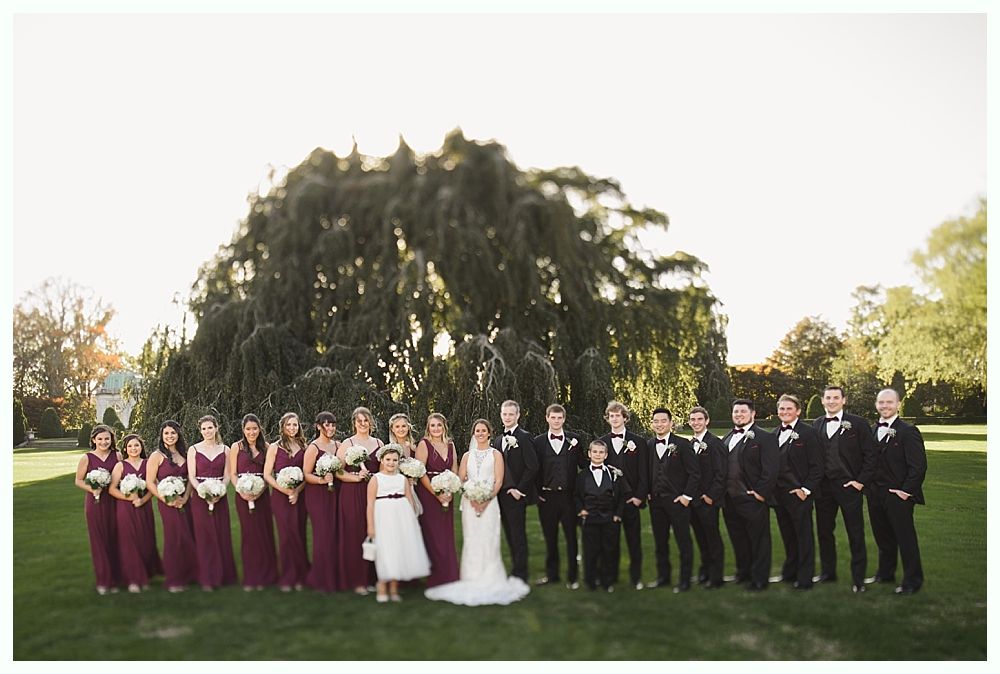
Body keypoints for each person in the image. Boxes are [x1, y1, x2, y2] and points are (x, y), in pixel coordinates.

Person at [425, 419, 530, 605]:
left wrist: (487, 498)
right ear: (474, 433)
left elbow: (498, 480)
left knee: (489, 538)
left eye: (483, 430)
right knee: (472, 538)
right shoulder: (467, 455)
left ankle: (491, 577)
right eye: (477, 430)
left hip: (491, 503)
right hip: (469, 504)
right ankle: (470, 576)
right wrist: (472, 496)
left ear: (489, 433)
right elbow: (461, 478)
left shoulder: (496, 454)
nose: (480, 433)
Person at [812, 386, 876, 592]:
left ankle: (858, 580)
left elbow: (871, 455)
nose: (831, 401)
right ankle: (828, 573)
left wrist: (860, 481)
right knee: (824, 532)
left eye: (835, 398)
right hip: (824, 488)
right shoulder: (817, 424)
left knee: (855, 533)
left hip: (849, 487)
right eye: (828, 398)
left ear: (843, 400)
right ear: (822, 401)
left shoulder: (858, 424)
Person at [866, 388, 927, 594]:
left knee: (905, 538)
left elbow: (918, 466)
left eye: (889, 402)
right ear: (876, 405)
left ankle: (913, 581)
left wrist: (905, 492)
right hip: (875, 494)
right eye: (881, 402)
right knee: (883, 537)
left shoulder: (908, 431)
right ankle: (885, 574)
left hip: (898, 495)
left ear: (898, 404)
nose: (885, 406)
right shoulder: (873, 429)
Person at [720, 399, 777, 591]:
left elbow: (770, 470)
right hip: (729, 499)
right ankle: (743, 573)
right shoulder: (727, 438)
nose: (738, 415)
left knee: (759, 541)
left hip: (752, 498)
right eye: (736, 412)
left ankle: (760, 579)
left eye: (743, 412)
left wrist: (760, 493)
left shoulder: (764, 438)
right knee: (738, 538)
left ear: (752, 414)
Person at [769, 395, 823, 590]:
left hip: (800, 495)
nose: (784, 412)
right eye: (781, 409)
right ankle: (789, 573)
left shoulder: (809, 433)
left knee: (803, 536)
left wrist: (806, 489)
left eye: (788, 409)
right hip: (779, 496)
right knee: (788, 536)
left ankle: (805, 578)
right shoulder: (773, 434)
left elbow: (817, 466)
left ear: (798, 411)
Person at [366, 444, 431, 602]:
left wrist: (412, 522)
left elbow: (409, 500)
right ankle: (382, 585)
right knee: (385, 550)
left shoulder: (402, 479)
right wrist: (371, 526)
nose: (391, 463)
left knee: (398, 549)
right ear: (382, 460)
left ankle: (394, 588)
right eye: (388, 459)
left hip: (401, 517)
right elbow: (370, 504)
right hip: (383, 516)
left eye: (395, 460)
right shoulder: (375, 479)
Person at [645, 407, 699, 592]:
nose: (659, 424)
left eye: (663, 421)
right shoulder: (650, 444)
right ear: (652, 424)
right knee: (660, 542)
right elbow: (647, 472)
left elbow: (694, 473)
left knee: (683, 541)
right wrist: (648, 492)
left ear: (670, 423)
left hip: (678, 502)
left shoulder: (682, 444)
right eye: (656, 421)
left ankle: (685, 580)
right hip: (656, 502)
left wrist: (686, 497)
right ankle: (663, 577)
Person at [598, 401, 648, 590]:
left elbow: (644, 473)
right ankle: (610, 578)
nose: (615, 418)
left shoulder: (639, 442)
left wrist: (639, 497)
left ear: (625, 418)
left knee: (634, 541)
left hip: (631, 500)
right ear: (607, 418)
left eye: (618, 415)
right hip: (610, 501)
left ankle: (636, 578)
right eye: (611, 416)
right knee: (610, 542)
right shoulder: (601, 442)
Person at [533, 403, 582, 589]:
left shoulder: (575, 440)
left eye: (559, 418)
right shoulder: (538, 442)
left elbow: (583, 464)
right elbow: (533, 470)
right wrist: (537, 494)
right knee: (550, 537)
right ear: (547, 418)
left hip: (569, 498)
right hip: (547, 498)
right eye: (553, 417)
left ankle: (573, 577)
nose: (556, 421)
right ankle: (551, 575)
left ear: (564, 419)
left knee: (571, 537)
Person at [145, 420, 197, 592]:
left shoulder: (186, 453)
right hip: (167, 502)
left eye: (173, 433)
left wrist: (186, 497)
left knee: (189, 535)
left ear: (178, 434)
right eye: (166, 433)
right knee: (175, 538)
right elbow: (150, 482)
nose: (170, 436)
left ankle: (191, 574)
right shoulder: (157, 456)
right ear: (161, 435)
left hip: (186, 501)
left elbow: (190, 478)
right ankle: (174, 578)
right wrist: (165, 498)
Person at [335, 406, 382, 594]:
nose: (363, 424)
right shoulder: (348, 443)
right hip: (352, 492)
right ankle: (356, 580)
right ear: (354, 423)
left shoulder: (379, 442)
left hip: (374, 493)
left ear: (371, 422)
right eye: (359, 421)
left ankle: (371, 577)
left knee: (372, 532)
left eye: (366, 420)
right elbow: (337, 470)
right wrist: (355, 478)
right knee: (355, 535)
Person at [187, 414, 238, 590]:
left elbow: (227, 475)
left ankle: (224, 576)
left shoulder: (225, 449)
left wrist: (219, 490)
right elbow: (191, 476)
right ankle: (207, 577)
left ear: (216, 428)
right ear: (200, 431)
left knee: (221, 532)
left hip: (219, 495)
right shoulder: (193, 449)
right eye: (204, 428)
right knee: (204, 535)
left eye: (210, 427)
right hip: (200, 498)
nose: (207, 431)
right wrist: (202, 491)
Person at [228, 413, 278, 590]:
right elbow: (233, 473)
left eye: (254, 428)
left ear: (260, 429)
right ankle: (251, 577)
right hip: (242, 495)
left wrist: (260, 490)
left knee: (264, 533)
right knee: (249, 535)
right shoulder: (237, 447)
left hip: (262, 495)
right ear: (243, 430)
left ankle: (268, 575)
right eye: (248, 429)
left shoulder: (267, 447)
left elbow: (268, 474)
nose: (251, 432)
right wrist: (241, 490)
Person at [108, 433, 162, 593]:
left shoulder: (147, 464)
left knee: (146, 541)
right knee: (129, 542)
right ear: (125, 448)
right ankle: (133, 579)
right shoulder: (121, 466)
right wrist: (128, 497)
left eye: (136, 445)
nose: (133, 448)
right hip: (125, 509)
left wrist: (142, 500)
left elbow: (153, 486)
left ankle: (145, 575)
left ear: (141, 447)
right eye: (130, 446)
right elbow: (111, 489)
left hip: (144, 507)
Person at [491, 399, 537, 582]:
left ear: (518, 415)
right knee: (508, 533)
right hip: (499, 494)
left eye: (511, 414)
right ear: (501, 415)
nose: (508, 417)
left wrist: (519, 490)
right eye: (505, 414)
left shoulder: (524, 437)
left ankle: (521, 573)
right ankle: (516, 569)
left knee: (518, 534)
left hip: (515, 494)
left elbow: (532, 466)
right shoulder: (497, 440)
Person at [263, 411, 310, 591]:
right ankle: (288, 576)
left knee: (299, 532)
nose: (292, 428)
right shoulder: (275, 447)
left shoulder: (304, 446)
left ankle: (301, 575)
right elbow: (267, 474)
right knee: (286, 535)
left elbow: (306, 474)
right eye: (289, 425)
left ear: (299, 427)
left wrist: (297, 491)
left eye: (295, 425)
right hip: (280, 497)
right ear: (283, 427)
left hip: (300, 496)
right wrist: (285, 490)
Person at [413, 412, 460, 587]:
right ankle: (434, 574)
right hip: (429, 494)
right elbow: (420, 472)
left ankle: (449, 573)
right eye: (432, 425)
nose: (436, 428)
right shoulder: (424, 444)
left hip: (447, 492)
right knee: (432, 534)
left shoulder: (450, 445)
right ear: (428, 427)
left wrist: (450, 489)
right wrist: (436, 492)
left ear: (444, 426)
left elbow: (454, 468)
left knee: (446, 534)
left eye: (439, 425)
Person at [74, 424, 121, 594]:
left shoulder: (117, 455)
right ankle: (104, 581)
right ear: (93, 440)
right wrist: (92, 489)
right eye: (100, 439)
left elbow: (122, 476)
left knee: (115, 538)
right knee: (99, 541)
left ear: (111, 439)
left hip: (115, 502)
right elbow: (78, 480)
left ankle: (116, 578)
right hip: (95, 504)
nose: (104, 442)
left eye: (107, 438)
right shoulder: (87, 458)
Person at [576, 440, 627, 592]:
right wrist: (581, 509)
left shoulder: (613, 474)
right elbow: (576, 496)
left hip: (609, 518)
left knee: (608, 550)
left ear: (606, 455)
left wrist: (618, 514)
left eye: (601, 452)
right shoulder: (582, 475)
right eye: (595, 452)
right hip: (590, 518)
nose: (598, 455)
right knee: (591, 551)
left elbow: (621, 496)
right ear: (589, 454)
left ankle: (607, 581)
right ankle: (590, 581)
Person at [686, 406, 727, 589]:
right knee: (701, 539)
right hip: (693, 501)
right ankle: (704, 572)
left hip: (708, 501)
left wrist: (710, 496)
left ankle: (715, 577)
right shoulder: (689, 444)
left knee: (712, 539)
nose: (696, 422)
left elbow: (721, 474)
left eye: (699, 419)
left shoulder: (715, 443)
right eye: (693, 420)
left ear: (707, 421)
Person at [303, 411, 341, 592]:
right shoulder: (313, 448)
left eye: (333, 425)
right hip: (318, 495)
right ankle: (321, 579)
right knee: (323, 535)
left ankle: (337, 575)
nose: (331, 428)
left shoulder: (339, 445)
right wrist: (321, 480)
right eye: (327, 425)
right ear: (318, 426)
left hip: (337, 494)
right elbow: (306, 474)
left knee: (336, 534)